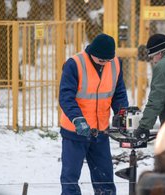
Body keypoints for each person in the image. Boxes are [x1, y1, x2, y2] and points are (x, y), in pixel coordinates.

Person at [59, 33, 128, 195]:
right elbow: (66, 96)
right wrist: (77, 119)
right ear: (92, 53)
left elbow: (119, 93)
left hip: (101, 132)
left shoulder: (115, 64)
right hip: (75, 131)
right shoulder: (74, 64)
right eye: (101, 60)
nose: (105, 63)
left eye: (108, 60)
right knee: (70, 176)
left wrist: (122, 113)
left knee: (104, 177)